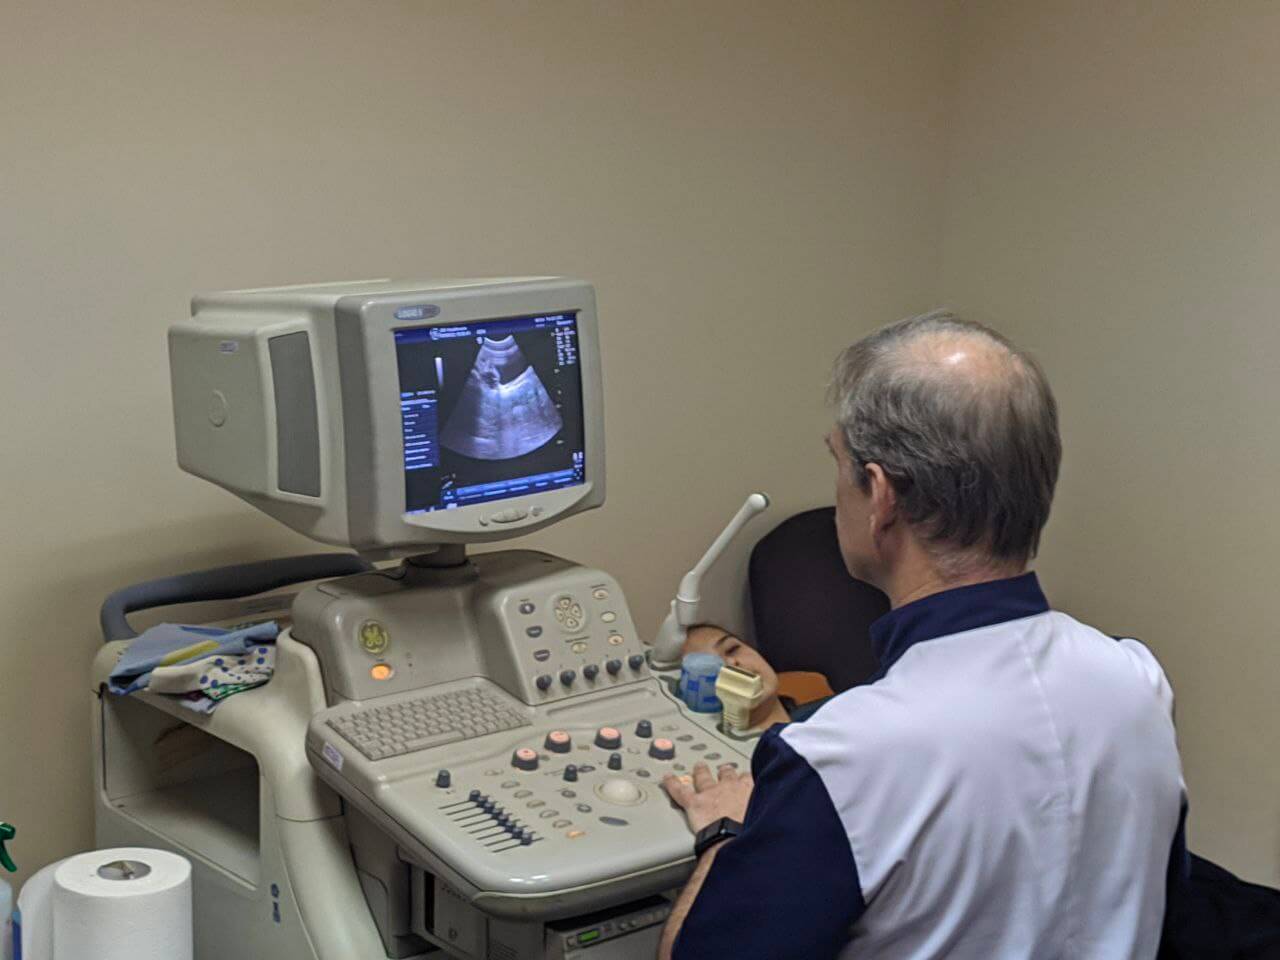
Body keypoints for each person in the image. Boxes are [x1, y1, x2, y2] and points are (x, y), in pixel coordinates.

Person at [657, 311, 1186, 959]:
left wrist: (725, 834)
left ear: (880, 498)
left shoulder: (842, 758)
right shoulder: (1138, 682)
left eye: (839, 465)